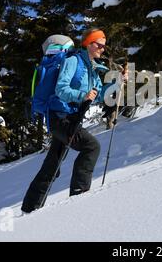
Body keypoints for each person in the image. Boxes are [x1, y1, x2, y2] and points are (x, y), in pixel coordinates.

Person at [22, 28, 127, 213]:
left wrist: (117, 83)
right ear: (88, 43)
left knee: (52, 164)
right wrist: (82, 95)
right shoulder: (73, 61)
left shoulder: (93, 70)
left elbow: (98, 95)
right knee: (91, 147)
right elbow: (61, 89)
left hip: (71, 119)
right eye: (99, 44)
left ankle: (29, 208)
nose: (102, 49)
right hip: (59, 118)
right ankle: (79, 196)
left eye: (104, 46)